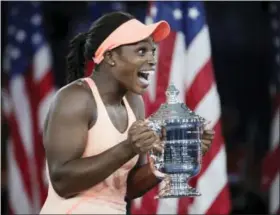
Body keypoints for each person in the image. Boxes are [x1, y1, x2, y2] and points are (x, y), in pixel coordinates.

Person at [40, 11, 215, 214]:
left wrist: (173, 157)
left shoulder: (134, 102)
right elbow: (62, 182)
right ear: (110, 56)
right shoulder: (76, 98)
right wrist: (128, 148)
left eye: (153, 51)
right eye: (141, 51)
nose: (152, 60)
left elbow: (128, 187)